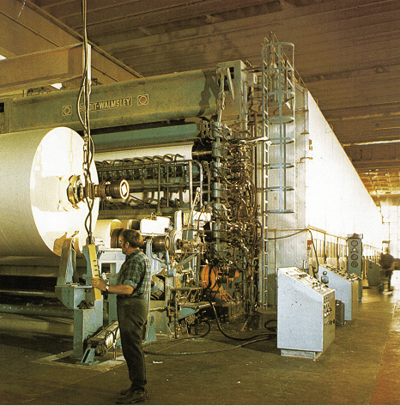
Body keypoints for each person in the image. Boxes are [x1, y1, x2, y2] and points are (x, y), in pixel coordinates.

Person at [92, 229, 151, 404]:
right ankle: (135, 386)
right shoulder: (140, 258)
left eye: (121, 241)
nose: (119, 244)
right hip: (134, 307)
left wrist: (106, 287)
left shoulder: (135, 261)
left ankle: (139, 389)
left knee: (132, 349)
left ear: (127, 243)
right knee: (131, 348)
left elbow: (128, 288)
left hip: (132, 307)